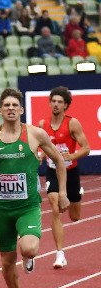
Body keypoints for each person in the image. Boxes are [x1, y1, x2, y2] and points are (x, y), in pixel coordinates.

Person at [0, 88, 69, 288]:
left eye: (14, 105)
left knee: (28, 249)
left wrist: (64, 192)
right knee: (6, 262)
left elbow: (58, 160)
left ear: (21, 110)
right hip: (3, 210)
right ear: (0, 110)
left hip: (28, 205)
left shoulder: (35, 134)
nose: (10, 109)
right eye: (6, 105)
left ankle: (28, 257)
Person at [36, 87, 90, 269]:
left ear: (66, 105)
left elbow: (86, 147)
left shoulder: (72, 124)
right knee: (55, 204)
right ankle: (60, 254)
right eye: (54, 101)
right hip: (52, 170)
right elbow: (40, 147)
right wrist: (41, 155)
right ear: (50, 103)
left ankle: (77, 194)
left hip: (70, 171)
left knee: (74, 216)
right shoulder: (43, 124)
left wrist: (71, 156)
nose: (56, 104)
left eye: (60, 102)